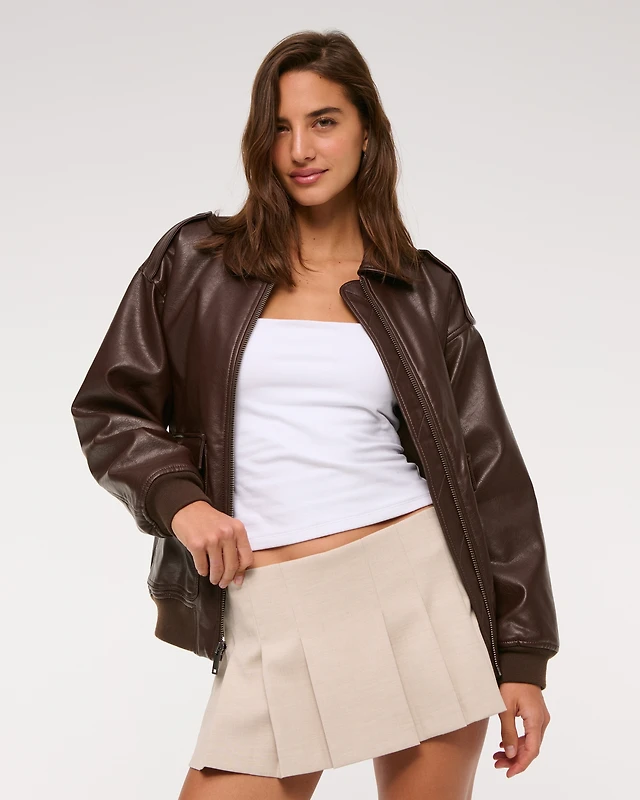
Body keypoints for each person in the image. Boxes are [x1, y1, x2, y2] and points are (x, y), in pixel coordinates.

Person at [71, 29, 559, 800]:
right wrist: (181, 502)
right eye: (280, 126)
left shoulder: (423, 289)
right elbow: (109, 407)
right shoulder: (197, 261)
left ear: (366, 132)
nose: (300, 148)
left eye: (324, 121)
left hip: (416, 592)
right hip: (269, 606)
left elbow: (488, 469)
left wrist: (523, 658)